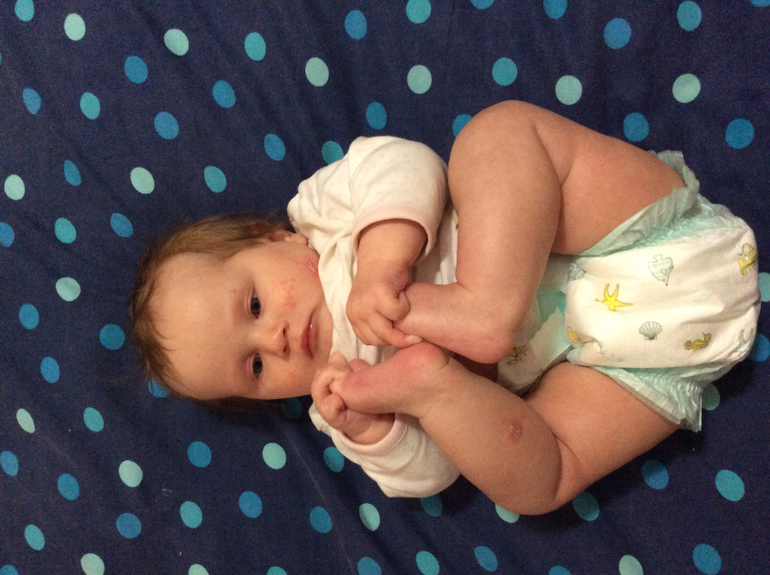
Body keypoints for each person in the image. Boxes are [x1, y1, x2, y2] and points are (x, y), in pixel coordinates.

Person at [130, 101, 760, 515]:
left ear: (274, 238)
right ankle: (441, 380)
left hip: (631, 230)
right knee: (540, 483)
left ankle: (484, 303)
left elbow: (402, 163)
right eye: (255, 369)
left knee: (498, 136)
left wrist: (381, 259)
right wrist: (383, 421)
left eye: (255, 304)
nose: (275, 340)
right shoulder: (344, 402)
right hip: (631, 366)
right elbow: (432, 473)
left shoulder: (323, 218)